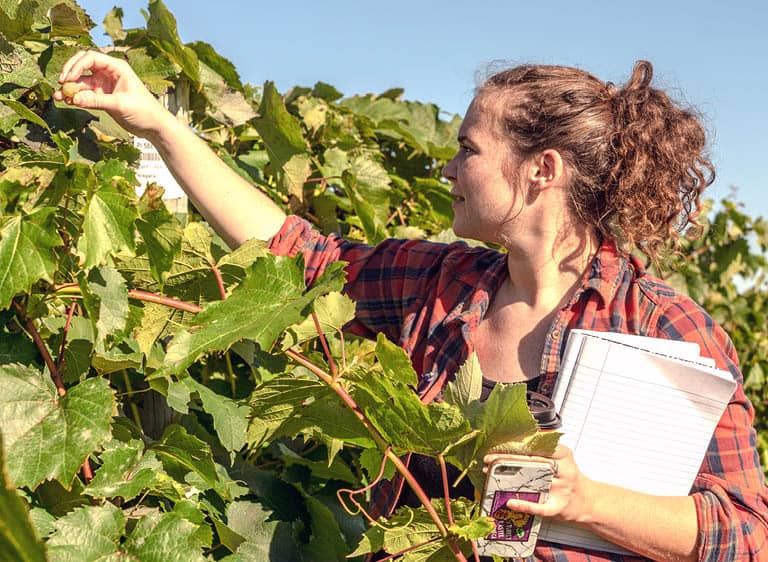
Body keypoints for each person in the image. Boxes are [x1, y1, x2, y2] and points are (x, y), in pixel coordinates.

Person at [56, 51, 767, 561]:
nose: (448, 169)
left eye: (468, 150)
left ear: (540, 170)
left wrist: (585, 501)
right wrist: (157, 125)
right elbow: (296, 253)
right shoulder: (441, 282)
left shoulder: (661, 327)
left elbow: (744, 534)